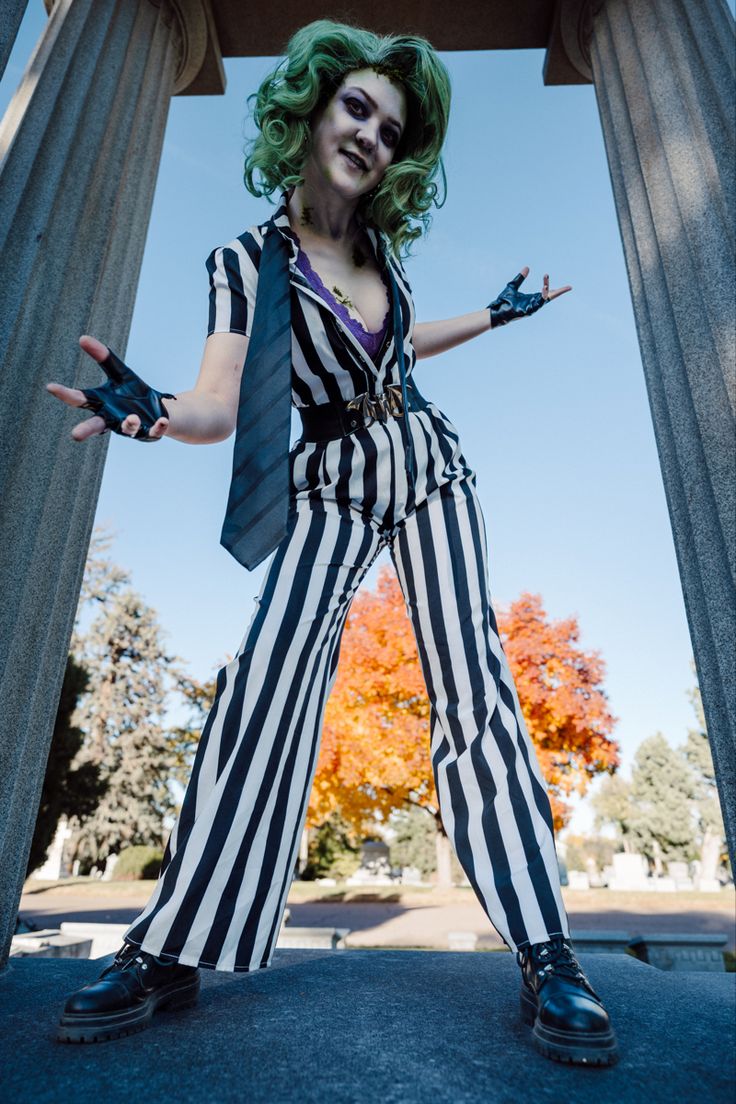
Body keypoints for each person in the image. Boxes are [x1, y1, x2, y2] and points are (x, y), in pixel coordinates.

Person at [47, 20, 618, 1066]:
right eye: (356, 107)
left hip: (425, 461)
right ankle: (170, 946)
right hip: (331, 483)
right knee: (265, 676)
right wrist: (158, 413)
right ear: (310, 108)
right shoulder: (244, 260)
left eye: (392, 129)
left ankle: (548, 952)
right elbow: (220, 401)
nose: (371, 134)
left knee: (472, 678)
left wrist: (493, 317)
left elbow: (401, 339)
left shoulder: (378, 254)